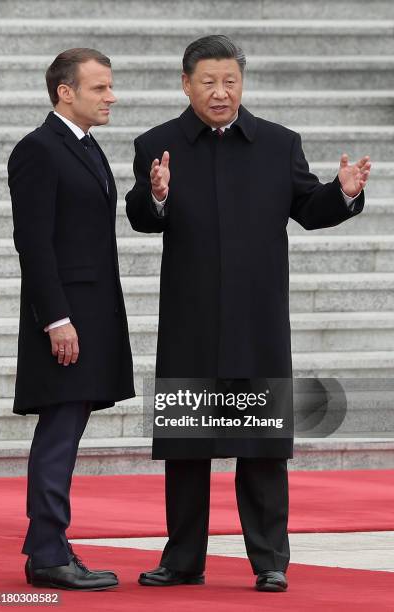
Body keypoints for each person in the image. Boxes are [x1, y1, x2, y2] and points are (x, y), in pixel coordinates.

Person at [126, 35, 371, 592]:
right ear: (185, 83)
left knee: (261, 448)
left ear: (242, 82)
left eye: (230, 81)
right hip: (191, 318)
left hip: (257, 318)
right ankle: (182, 560)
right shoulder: (157, 144)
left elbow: (308, 208)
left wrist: (343, 192)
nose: (220, 92)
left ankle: (269, 561)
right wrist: (157, 193)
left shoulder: (278, 143)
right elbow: (141, 215)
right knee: (187, 447)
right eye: (208, 82)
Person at [8, 48, 135, 590]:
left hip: (91, 315)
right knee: (59, 433)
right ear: (66, 91)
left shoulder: (87, 148)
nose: (111, 97)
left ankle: (52, 546)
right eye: (100, 88)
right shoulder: (39, 150)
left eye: (110, 87)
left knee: (68, 429)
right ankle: (45, 553)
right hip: (63, 320)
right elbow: (33, 243)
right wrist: (56, 318)